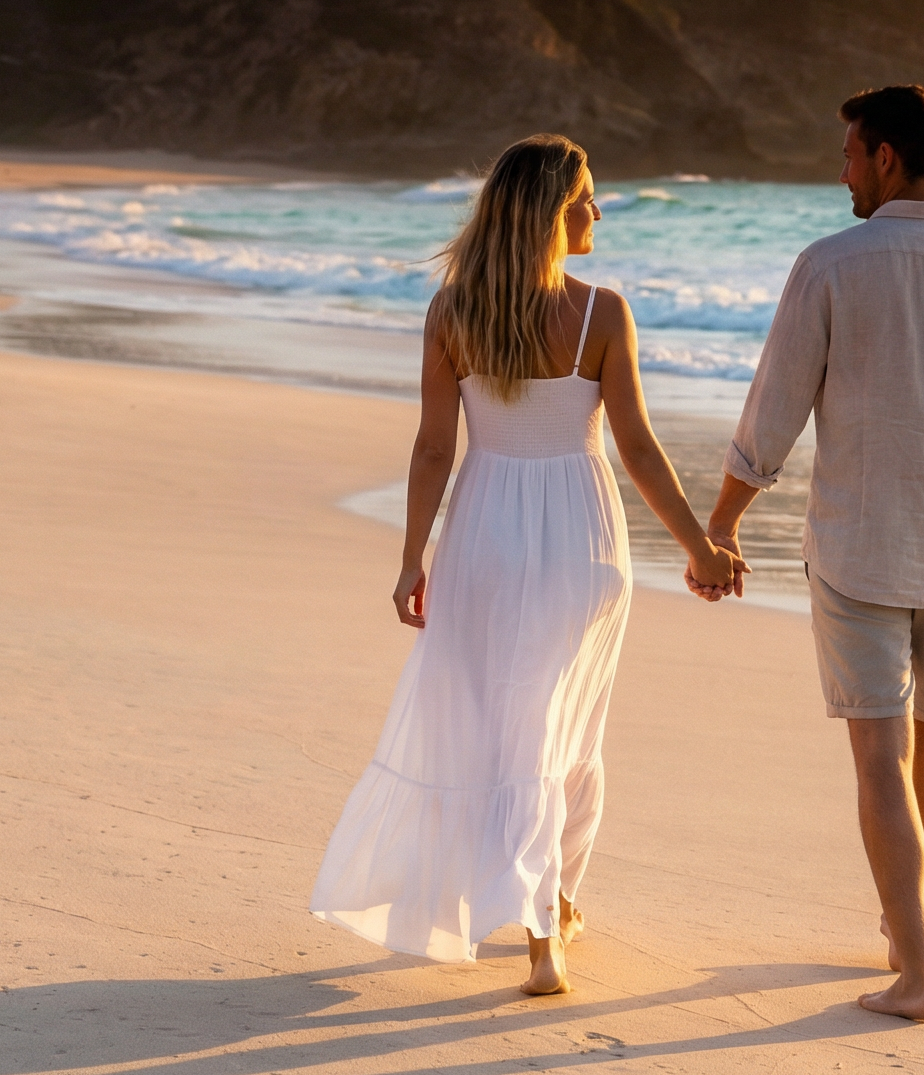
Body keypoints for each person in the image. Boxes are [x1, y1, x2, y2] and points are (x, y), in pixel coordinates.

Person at [311, 134, 743, 997]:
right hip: (583, 537)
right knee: (562, 727)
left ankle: (539, 911)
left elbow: (434, 448)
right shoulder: (602, 313)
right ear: (550, 213)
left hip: (484, 533)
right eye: (585, 198)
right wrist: (697, 546)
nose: (597, 211)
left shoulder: (453, 313)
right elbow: (637, 448)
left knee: (502, 726)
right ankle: (549, 926)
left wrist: (412, 557)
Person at [699, 85, 924, 1023]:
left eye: (851, 155)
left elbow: (772, 416)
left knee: (878, 755)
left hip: (859, 547)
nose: (844, 174)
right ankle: (909, 934)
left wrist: (723, 525)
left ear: (887, 158)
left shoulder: (829, 264)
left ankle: (916, 975)